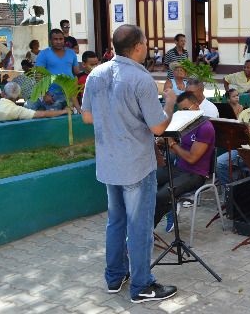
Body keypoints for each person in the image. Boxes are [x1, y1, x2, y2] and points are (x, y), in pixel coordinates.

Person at [81, 24, 178, 303]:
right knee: (139, 227)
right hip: (135, 164)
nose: (147, 46)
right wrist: (169, 103)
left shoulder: (95, 74)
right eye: (145, 42)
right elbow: (159, 127)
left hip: (109, 163)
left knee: (116, 221)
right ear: (137, 47)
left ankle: (114, 278)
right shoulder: (140, 78)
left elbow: (88, 117)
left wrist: (114, 118)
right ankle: (142, 286)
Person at [155, 91, 215, 232]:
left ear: (196, 106)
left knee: (162, 195)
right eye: (180, 110)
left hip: (196, 174)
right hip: (180, 168)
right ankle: (140, 222)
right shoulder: (186, 124)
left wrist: (171, 144)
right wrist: (163, 143)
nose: (183, 113)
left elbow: (192, 158)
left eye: (185, 109)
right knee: (145, 180)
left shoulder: (205, 127)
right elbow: (178, 149)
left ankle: (144, 232)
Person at [26, 29, 80, 111]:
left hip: (68, 94)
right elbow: (38, 75)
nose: (59, 41)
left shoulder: (71, 53)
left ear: (64, 40)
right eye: (55, 39)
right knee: (51, 119)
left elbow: (76, 72)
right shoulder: (44, 53)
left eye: (61, 39)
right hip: (51, 95)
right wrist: (44, 94)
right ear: (50, 40)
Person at [0, 82, 66, 121]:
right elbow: (43, 114)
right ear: (18, 97)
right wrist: (64, 111)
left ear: (2, 93)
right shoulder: (18, 110)